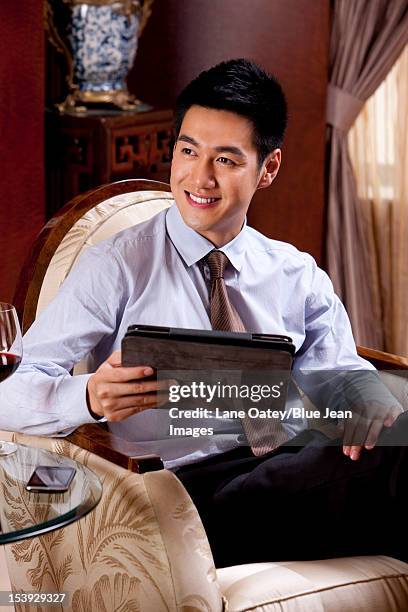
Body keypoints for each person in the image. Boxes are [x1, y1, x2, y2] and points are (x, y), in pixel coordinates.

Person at [1, 58, 407, 566]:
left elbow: (338, 373)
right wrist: (87, 394)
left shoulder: (292, 271)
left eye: (227, 160)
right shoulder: (118, 264)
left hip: (289, 464)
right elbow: (9, 392)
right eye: (188, 151)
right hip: (181, 495)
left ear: (269, 169)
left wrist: (364, 399)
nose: (199, 177)